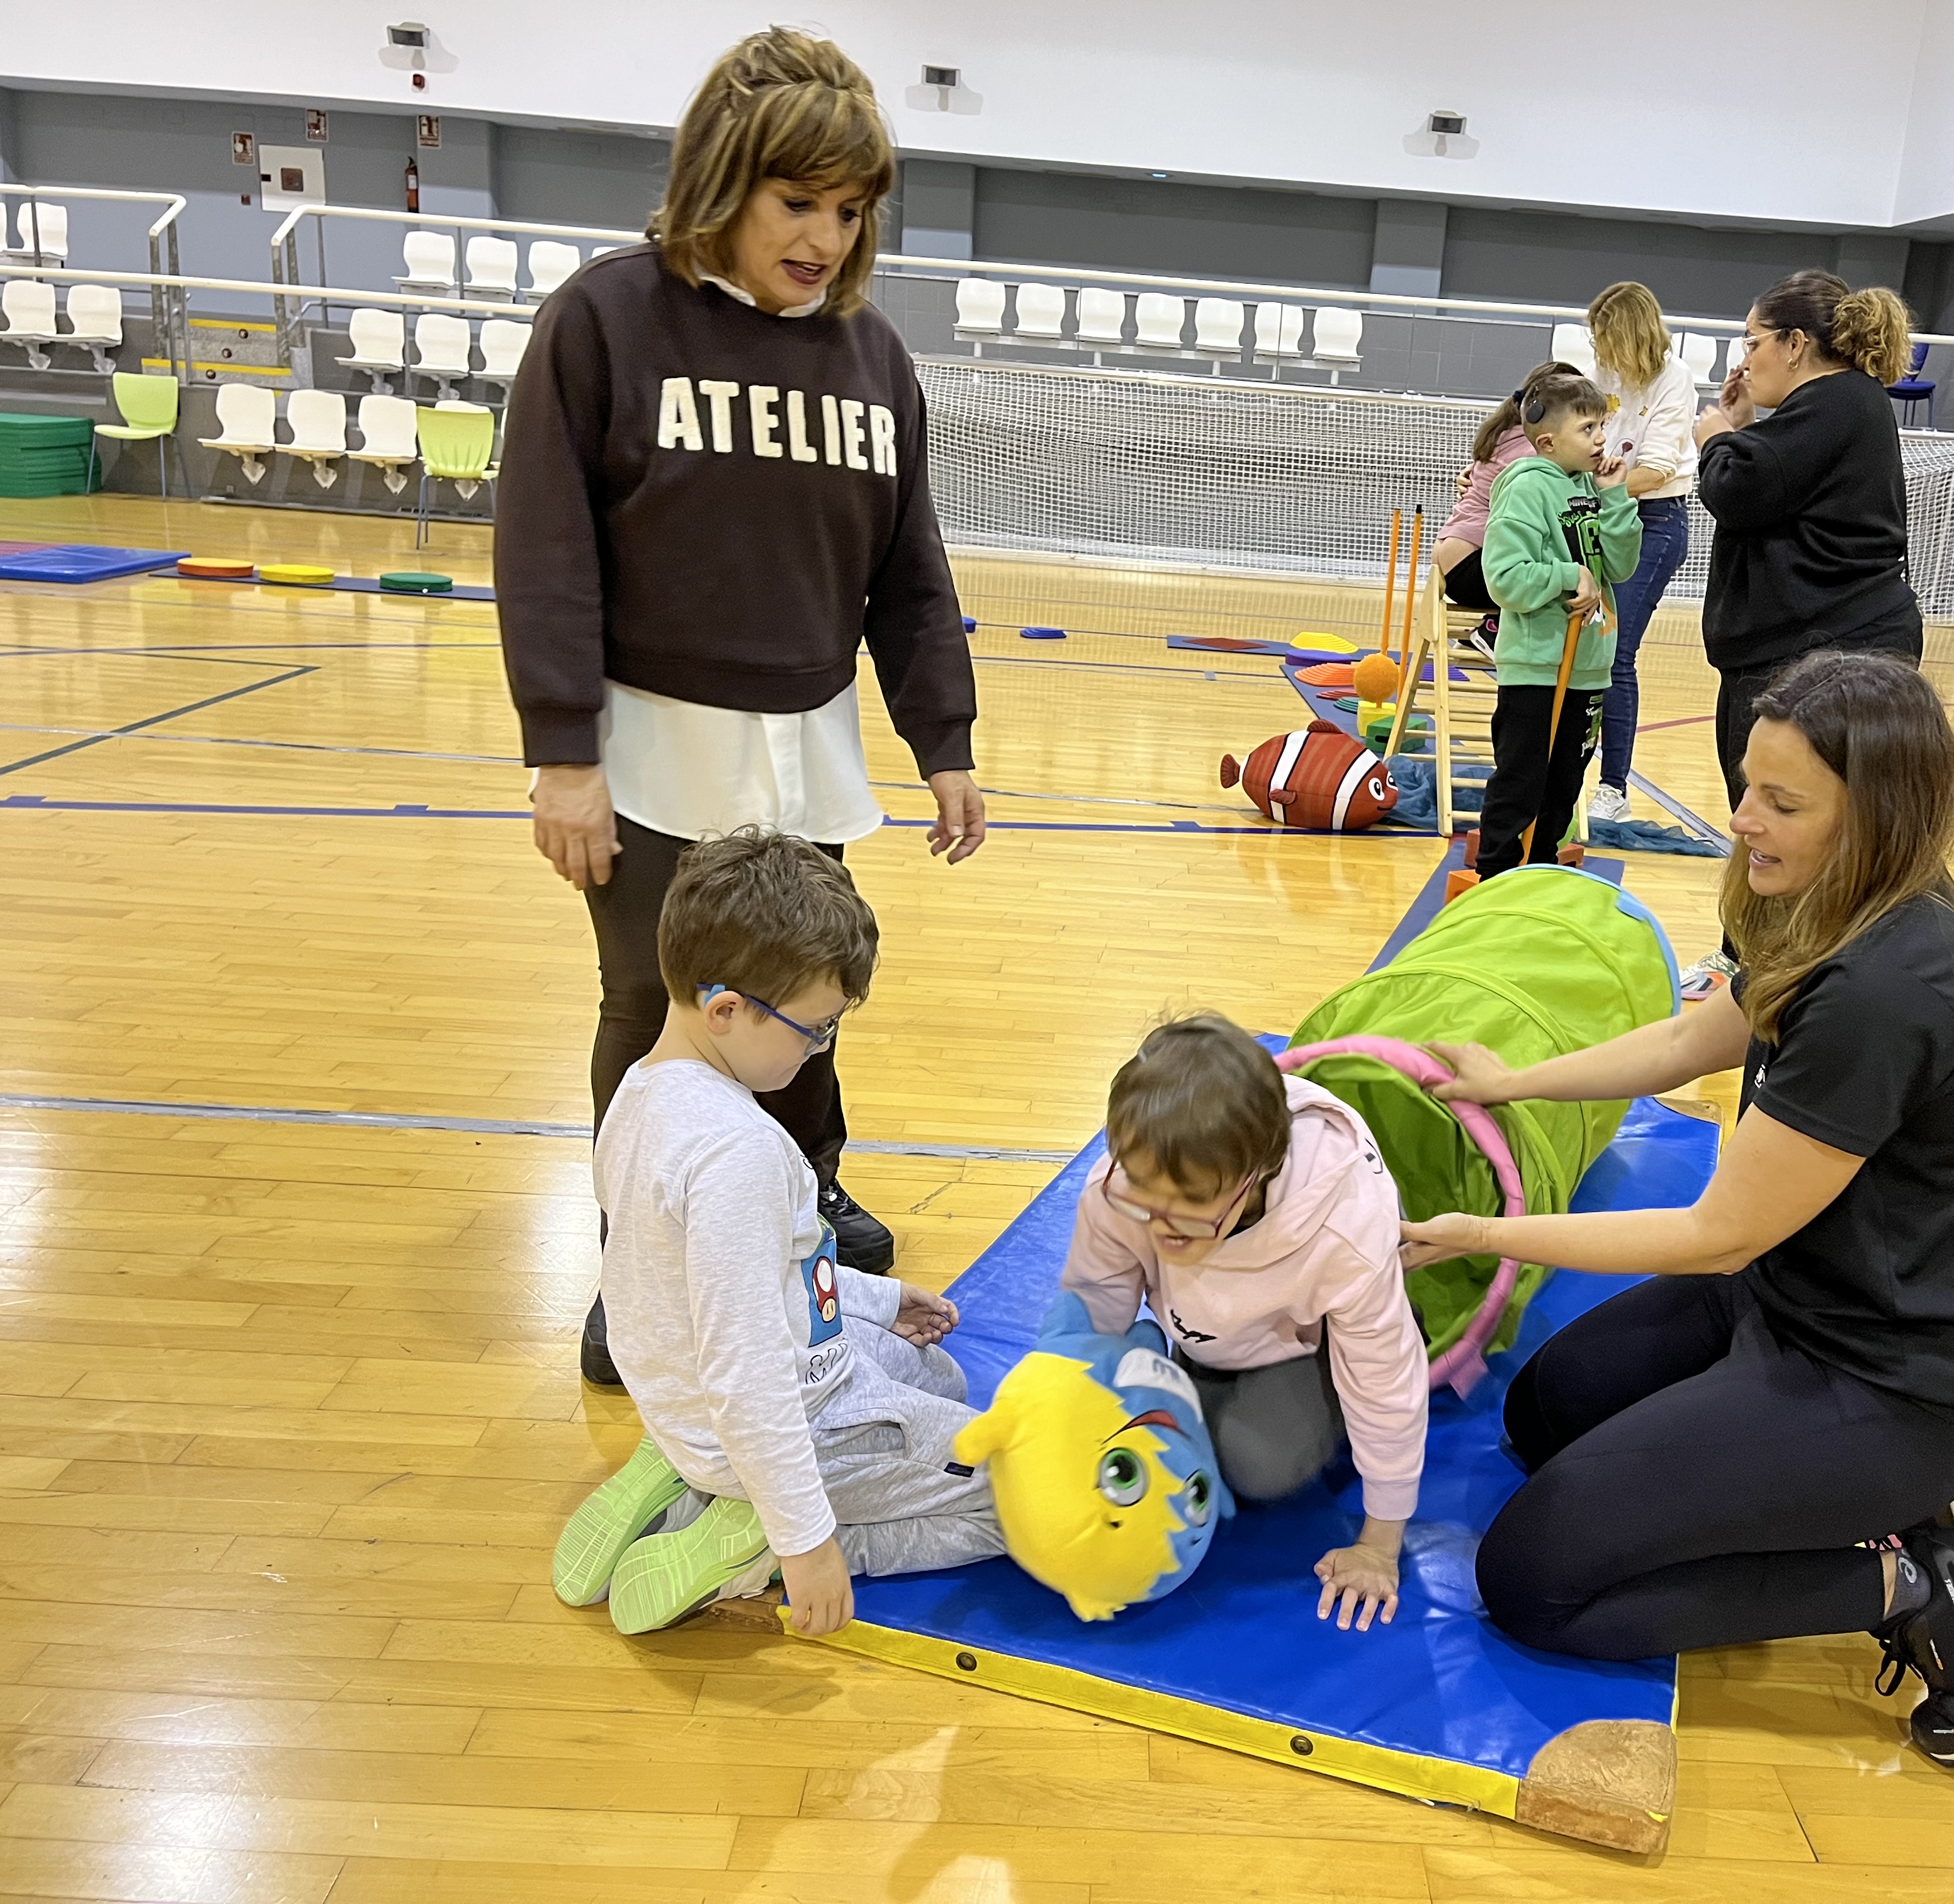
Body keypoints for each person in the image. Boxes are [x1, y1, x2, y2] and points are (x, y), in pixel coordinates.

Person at [1401, 651, 1954, 1769]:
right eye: (1748, 784)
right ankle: (1842, 1493)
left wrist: (1479, 1235)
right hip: (1788, 1301)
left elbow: (1715, 1231)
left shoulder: (1889, 988)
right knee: (1546, 1411)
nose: (1743, 819)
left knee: (1533, 1578)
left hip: (1892, 1379)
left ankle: (1916, 1581)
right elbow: (1694, 1038)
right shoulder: (1826, 899)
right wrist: (1510, 1079)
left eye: (1781, 802)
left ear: (1873, 814)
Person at [495, 28, 985, 1387]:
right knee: (658, 1018)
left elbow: (909, 570)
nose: (825, 236)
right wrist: (561, 757)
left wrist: (943, 739)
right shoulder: (605, 322)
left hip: (803, 751)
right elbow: (545, 551)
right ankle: (641, 1269)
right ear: (724, 180)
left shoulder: (874, 360)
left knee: (801, 1005)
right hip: (646, 750)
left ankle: (800, 1222)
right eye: (797, 203)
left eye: (849, 210)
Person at [549, 829, 1004, 1639]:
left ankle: (681, 1467)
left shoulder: (639, 1092)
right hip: (779, 1423)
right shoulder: (739, 1154)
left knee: (940, 1378)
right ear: (727, 1010)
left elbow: (747, 1277)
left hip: (692, 1400)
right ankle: (749, 1534)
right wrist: (807, 1542)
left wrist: (875, 1298)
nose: (820, 1047)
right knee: (1010, 1504)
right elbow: (748, 1370)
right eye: (814, 1027)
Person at [1060, 1014, 1428, 1633]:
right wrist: (1067, 1417)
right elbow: (1094, 1307)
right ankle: (1205, 1368)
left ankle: (1317, 1397)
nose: (1159, 1223)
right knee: (1137, 1437)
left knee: (1257, 1466)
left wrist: (1380, 1544)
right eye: (1143, 1196)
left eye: (1192, 1207)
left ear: (1257, 1178)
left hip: (1310, 1340)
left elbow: (1384, 1381)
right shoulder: (1128, 1183)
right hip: (1212, 1335)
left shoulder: (1344, 1232)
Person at [1685, 270, 1920, 998]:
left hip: (1822, 653)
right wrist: (1746, 432)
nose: (1744, 359)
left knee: (1782, 821)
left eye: (1753, 341)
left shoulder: (1837, 402)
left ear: (1795, 344)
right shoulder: (1832, 408)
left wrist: (1718, 438)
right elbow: (1773, 487)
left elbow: (1739, 490)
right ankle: (1753, 962)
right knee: (1774, 815)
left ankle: (1774, 973)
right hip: (1809, 647)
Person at [1472, 366, 1639, 880]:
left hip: (1588, 666)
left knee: (1565, 785)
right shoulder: (1524, 489)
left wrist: (1614, 497)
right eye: (1587, 429)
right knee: (1522, 781)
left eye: (1601, 427)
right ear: (1548, 441)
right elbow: (1505, 577)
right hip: (1538, 667)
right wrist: (1570, 575)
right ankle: (1495, 880)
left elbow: (1621, 566)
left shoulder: (1591, 487)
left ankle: (1540, 872)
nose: (1601, 439)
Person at [1581, 283, 1700, 827]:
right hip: (1602, 513)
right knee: (1584, 645)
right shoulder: (1603, 376)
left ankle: (1613, 789)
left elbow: (1652, 470)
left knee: (1616, 652)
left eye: (1608, 339)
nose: (1600, 350)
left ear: (1632, 337)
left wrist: (1594, 491)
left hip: (1655, 522)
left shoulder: (1674, 381)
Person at [1428, 361, 1562, 652]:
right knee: (1559, 572)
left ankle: (1494, 629)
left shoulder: (1506, 433)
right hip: (1470, 565)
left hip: (1456, 555)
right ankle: (1495, 630)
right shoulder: (1533, 450)